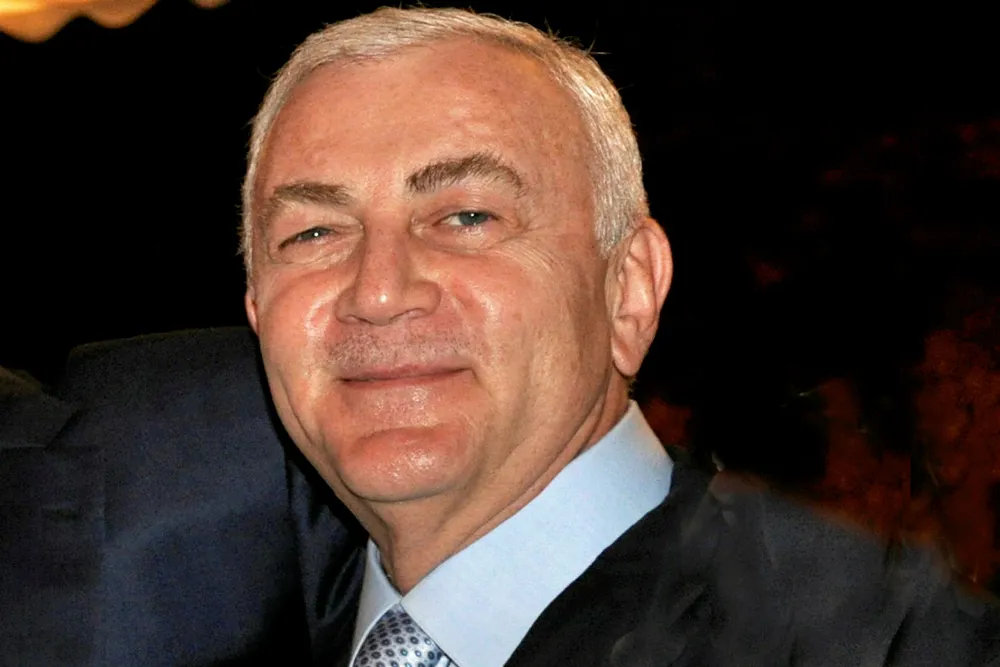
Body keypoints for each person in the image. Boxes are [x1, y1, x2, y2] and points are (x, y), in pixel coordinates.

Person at [241, 6, 1000, 667]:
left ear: (629, 291)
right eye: (313, 233)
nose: (377, 292)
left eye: (468, 217)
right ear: (255, 308)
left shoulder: (899, 644)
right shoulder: (217, 623)